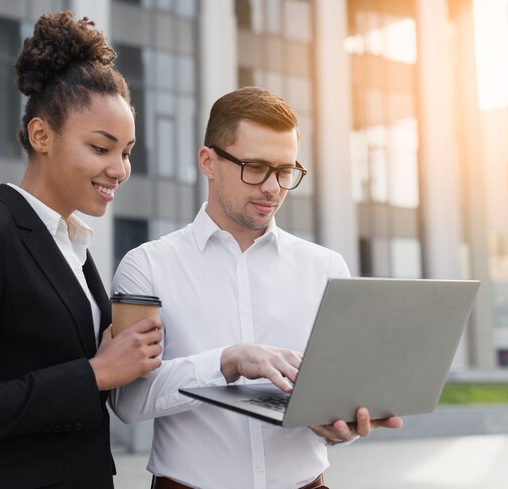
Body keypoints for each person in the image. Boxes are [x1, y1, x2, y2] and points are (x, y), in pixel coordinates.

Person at [111, 86, 403, 489]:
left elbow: (338, 394)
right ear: (208, 162)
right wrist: (227, 361)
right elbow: (128, 403)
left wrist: (341, 427)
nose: (272, 187)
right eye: (255, 167)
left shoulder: (326, 268)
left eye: (285, 170)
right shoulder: (147, 266)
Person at [0, 12, 162, 489]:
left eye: (127, 151)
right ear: (41, 135)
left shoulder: (76, 250)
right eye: (101, 147)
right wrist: (92, 374)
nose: (120, 169)